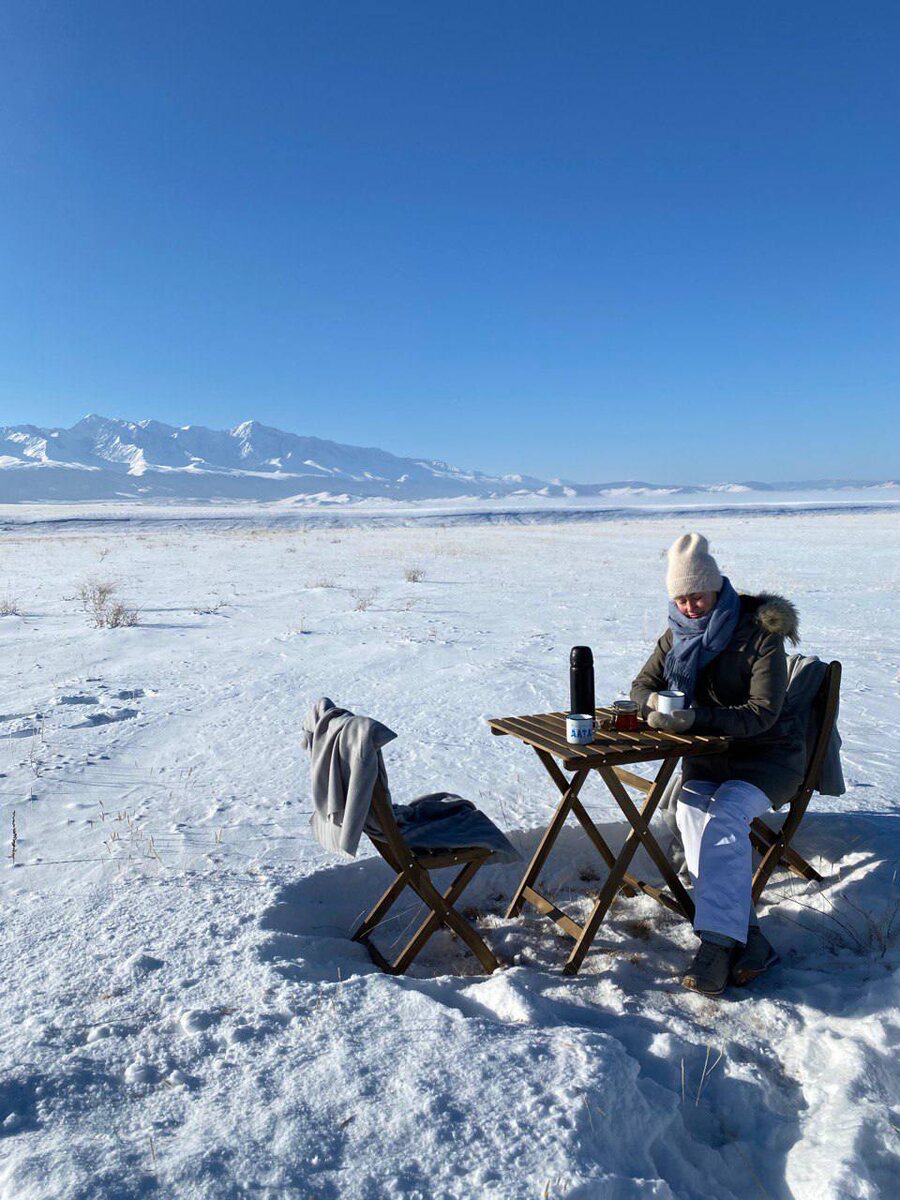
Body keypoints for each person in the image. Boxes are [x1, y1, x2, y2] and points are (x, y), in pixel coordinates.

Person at [630, 532, 803, 996]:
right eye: (681, 599)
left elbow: (762, 713)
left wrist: (695, 718)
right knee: (689, 807)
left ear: (716, 587)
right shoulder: (676, 633)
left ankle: (715, 946)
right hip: (709, 760)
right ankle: (749, 940)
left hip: (767, 758)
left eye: (697, 597)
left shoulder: (760, 634)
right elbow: (640, 685)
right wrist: (655, 705)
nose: (689, 607)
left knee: (724, 812)